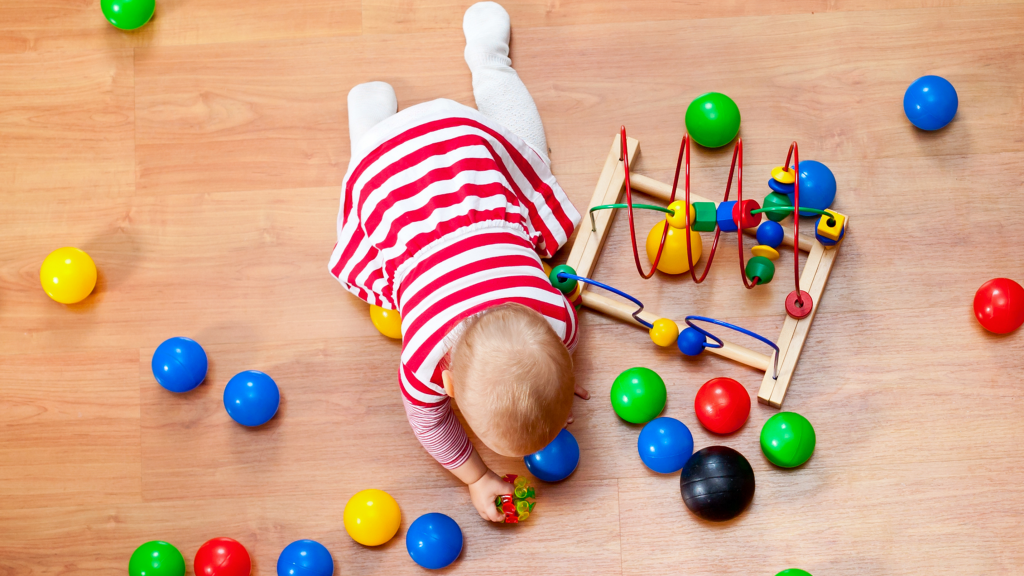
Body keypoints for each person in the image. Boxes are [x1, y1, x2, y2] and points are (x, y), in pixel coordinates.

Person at [329, 1, 588, 522]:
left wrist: (549, 387)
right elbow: (431, 426)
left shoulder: (555, 316)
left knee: (531, 158)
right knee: (378, 220)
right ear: (445, 385)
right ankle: (466, 76)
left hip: (455, 146)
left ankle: (383, 120)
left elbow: (560, 349)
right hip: (402, 165)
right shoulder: (422, 358)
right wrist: (477, 476)